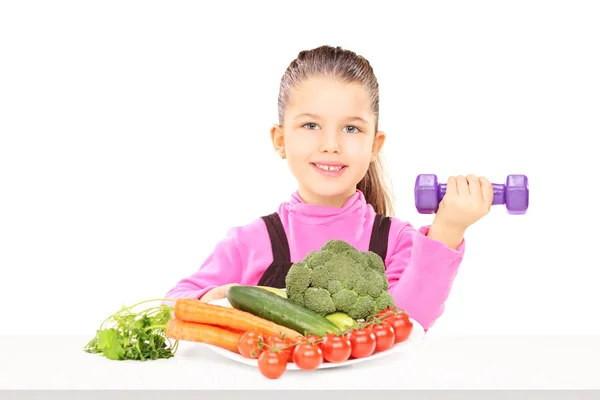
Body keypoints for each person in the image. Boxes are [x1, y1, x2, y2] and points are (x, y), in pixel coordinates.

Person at [165, 45, 493, 331]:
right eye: (310, 125)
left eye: (351, 128)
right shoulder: (248, 242)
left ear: (375, 145)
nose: (331, 144)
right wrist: (218, 298)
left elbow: (408, 323)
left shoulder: (398, 241)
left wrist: (448, 229)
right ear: (280, 140)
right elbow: (171, 305)